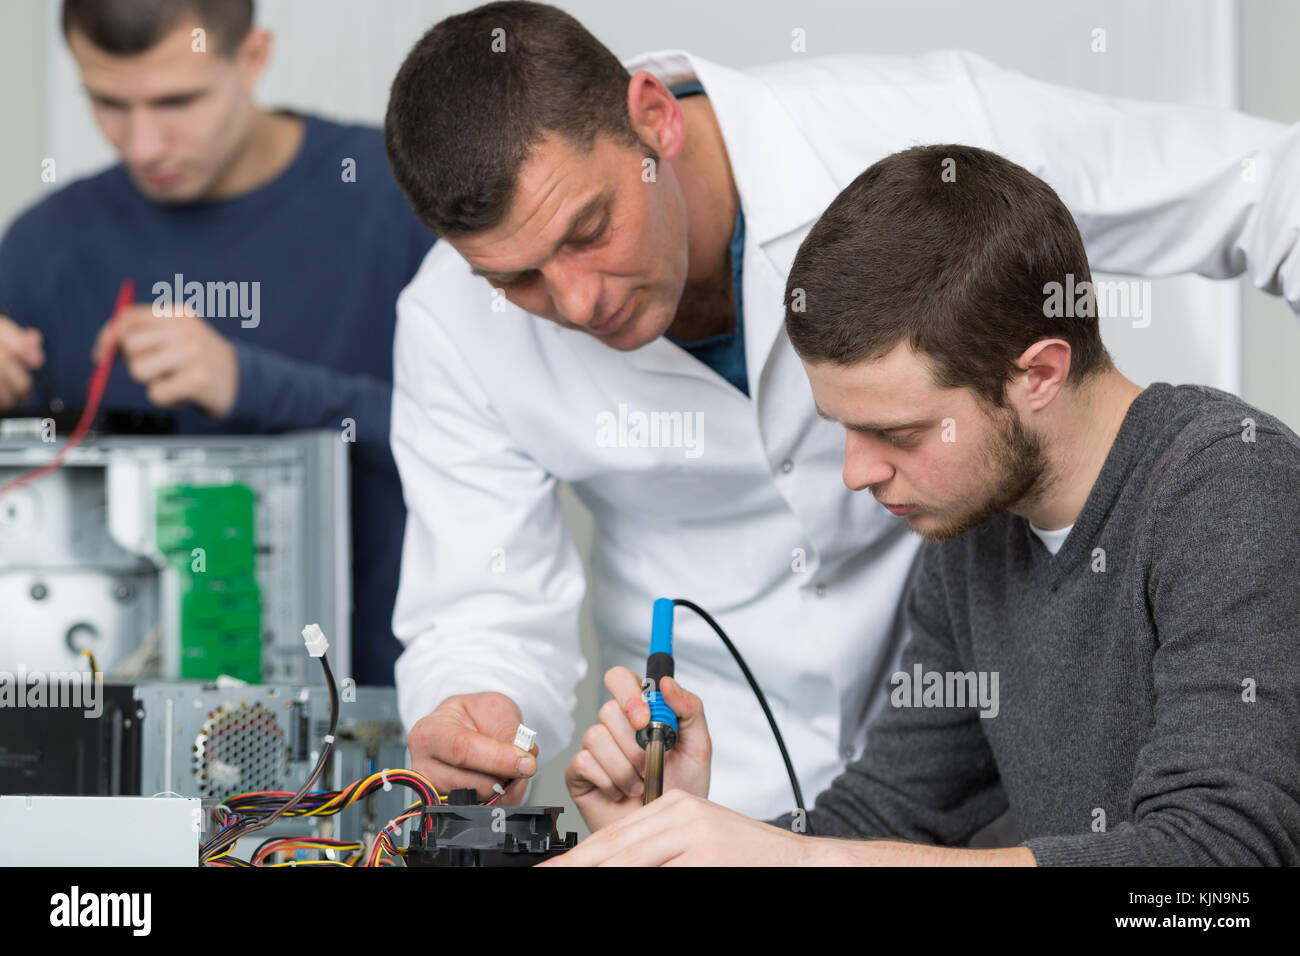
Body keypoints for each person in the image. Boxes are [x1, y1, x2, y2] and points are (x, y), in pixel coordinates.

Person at [383, 0, 1300, 816]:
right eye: (516, 280)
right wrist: (480, 708)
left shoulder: (925, 145)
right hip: (729, 775)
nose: (576, 303)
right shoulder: (448, 322)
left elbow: (1266, 191)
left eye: (589, 230)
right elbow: (482, 602)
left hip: (957, 762)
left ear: (653, 116)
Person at [545, 144, 1300, 866]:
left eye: (896, 432)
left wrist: (809, 862)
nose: (855, 472)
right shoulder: (975, 525)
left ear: (1038, 373)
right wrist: (673, 837)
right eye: (843, 429)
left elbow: (1220, 864)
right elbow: (886, 816)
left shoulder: (1229, 485)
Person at [0, 0, 434, 685]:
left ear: (253, 57)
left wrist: (249, 384)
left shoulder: (398, 198)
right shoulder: (43, 246)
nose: (142, 143)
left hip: (380, 722)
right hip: (98, 742)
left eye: (177, 100)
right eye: (107, 102)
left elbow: (495, 450)